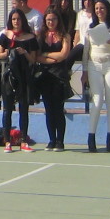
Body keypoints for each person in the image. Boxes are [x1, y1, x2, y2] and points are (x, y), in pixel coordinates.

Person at [84, 0, 110, 153]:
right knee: (97, 101)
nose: (99, 11)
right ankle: (91, 137)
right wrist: (84, 71)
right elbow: (86, 51)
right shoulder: (90, 27)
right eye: (97, 8)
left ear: (108, 10)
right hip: (94, 65)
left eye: (102, 8)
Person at [0, 9, 39, 152]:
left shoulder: (30, 37)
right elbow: (0, 54)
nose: (16, 22)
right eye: (14, 19)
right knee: (7, 109)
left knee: (24, 109)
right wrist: (10, 51)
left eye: (19, 19)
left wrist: (25, 52)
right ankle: (7, 141)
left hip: (25, 76)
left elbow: (33, 59)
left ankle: (23, 140)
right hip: (9, 76)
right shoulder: (6, 35)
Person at [34, 8, 73, 150]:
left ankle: (60, 141)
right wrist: (49, 59)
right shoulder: (41, 36)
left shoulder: (65, 36)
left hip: (59, 75)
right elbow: (37, 56)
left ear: (58, 20)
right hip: (45, 75)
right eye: (49, 19)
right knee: (48, 109)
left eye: (54, 19)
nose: (51, 22)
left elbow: (64, 55)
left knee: (58, 109)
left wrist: (47, 54)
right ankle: (51, 140)